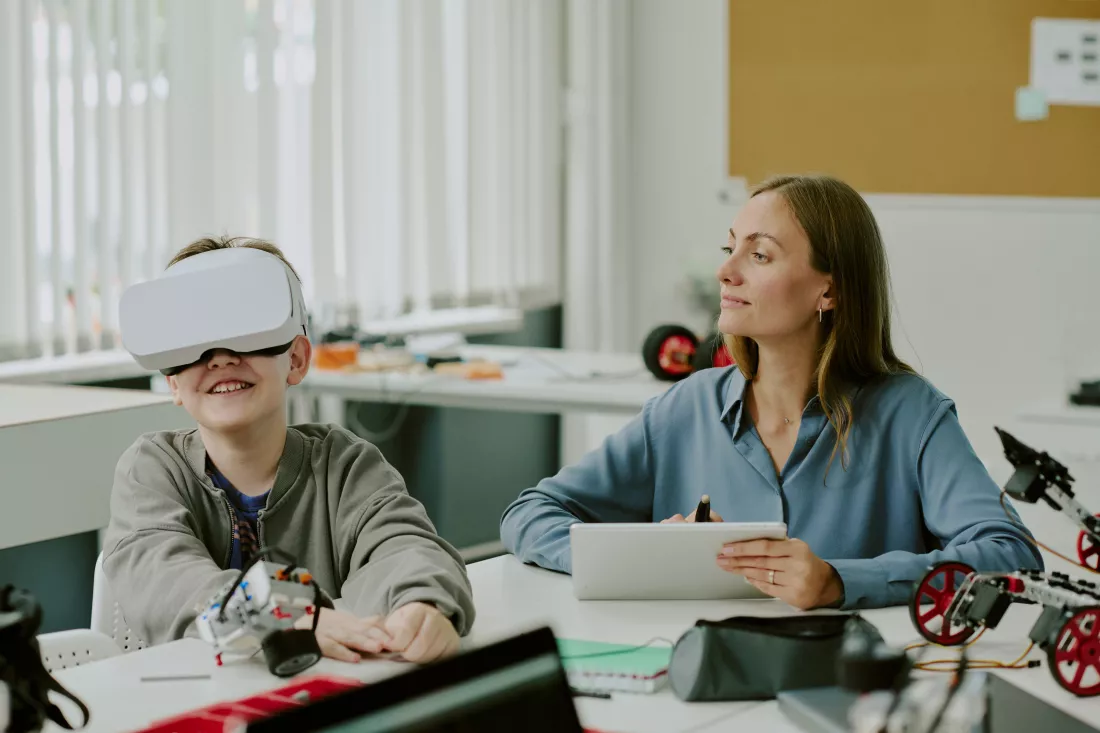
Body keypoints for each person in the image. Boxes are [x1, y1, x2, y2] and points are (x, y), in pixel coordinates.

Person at [500, 175, 1042, 610]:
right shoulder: (685, 408)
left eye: (758, 256)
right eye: (730, 248)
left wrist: (839, 581)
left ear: (827, 290)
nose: (725, 271)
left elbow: (1011, 555)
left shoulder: (912, 415)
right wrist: (648, 555)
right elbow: (531, 512)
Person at [103, 236, 474, 663]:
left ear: (296, 359)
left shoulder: (346, 465)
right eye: (194, 344)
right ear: (173, 383)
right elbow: (158, 576)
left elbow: (403, 544)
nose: (220, 358)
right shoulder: (151, 470)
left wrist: (420, 602)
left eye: (248, 333)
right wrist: (278, 609)